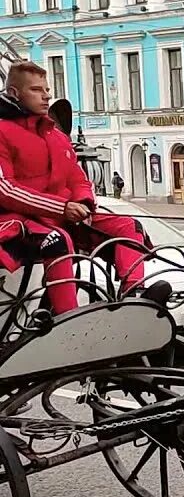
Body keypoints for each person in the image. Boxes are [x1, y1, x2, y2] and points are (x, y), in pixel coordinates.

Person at [0, 60, 169, 315]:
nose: (47, 96)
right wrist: (62, 208)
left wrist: (85, 203)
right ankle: (67, 317)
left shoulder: (55, 136)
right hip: (21, 222)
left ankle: (133, 297)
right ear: (14, 93)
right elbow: (5, 189)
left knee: (128, 227)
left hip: (61, 216)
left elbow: (78, 179)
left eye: (47, 89)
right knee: (57, 240)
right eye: (37, 90)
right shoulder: (2, 131)